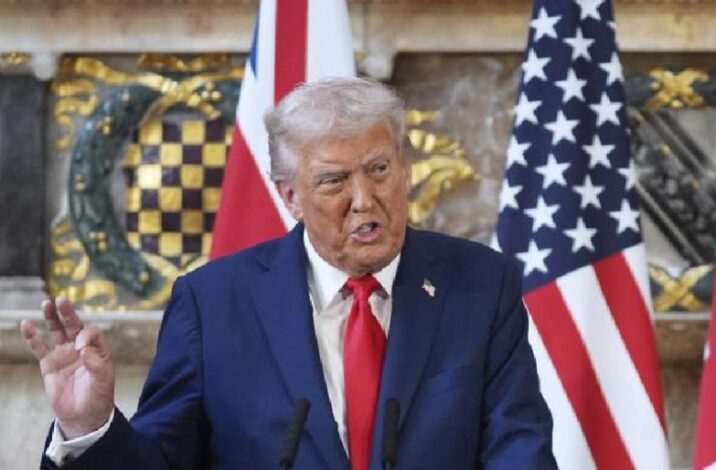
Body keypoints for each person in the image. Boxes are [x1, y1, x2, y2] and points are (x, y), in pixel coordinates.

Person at [21, 77, 556, 469]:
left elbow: (519, 448)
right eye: (333, 181)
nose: (364, 199)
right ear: (291, 197)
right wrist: (88, 425)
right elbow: (163, 462)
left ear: (406, 169)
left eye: (379, 170)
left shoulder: (480, 285)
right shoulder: (214, 303)